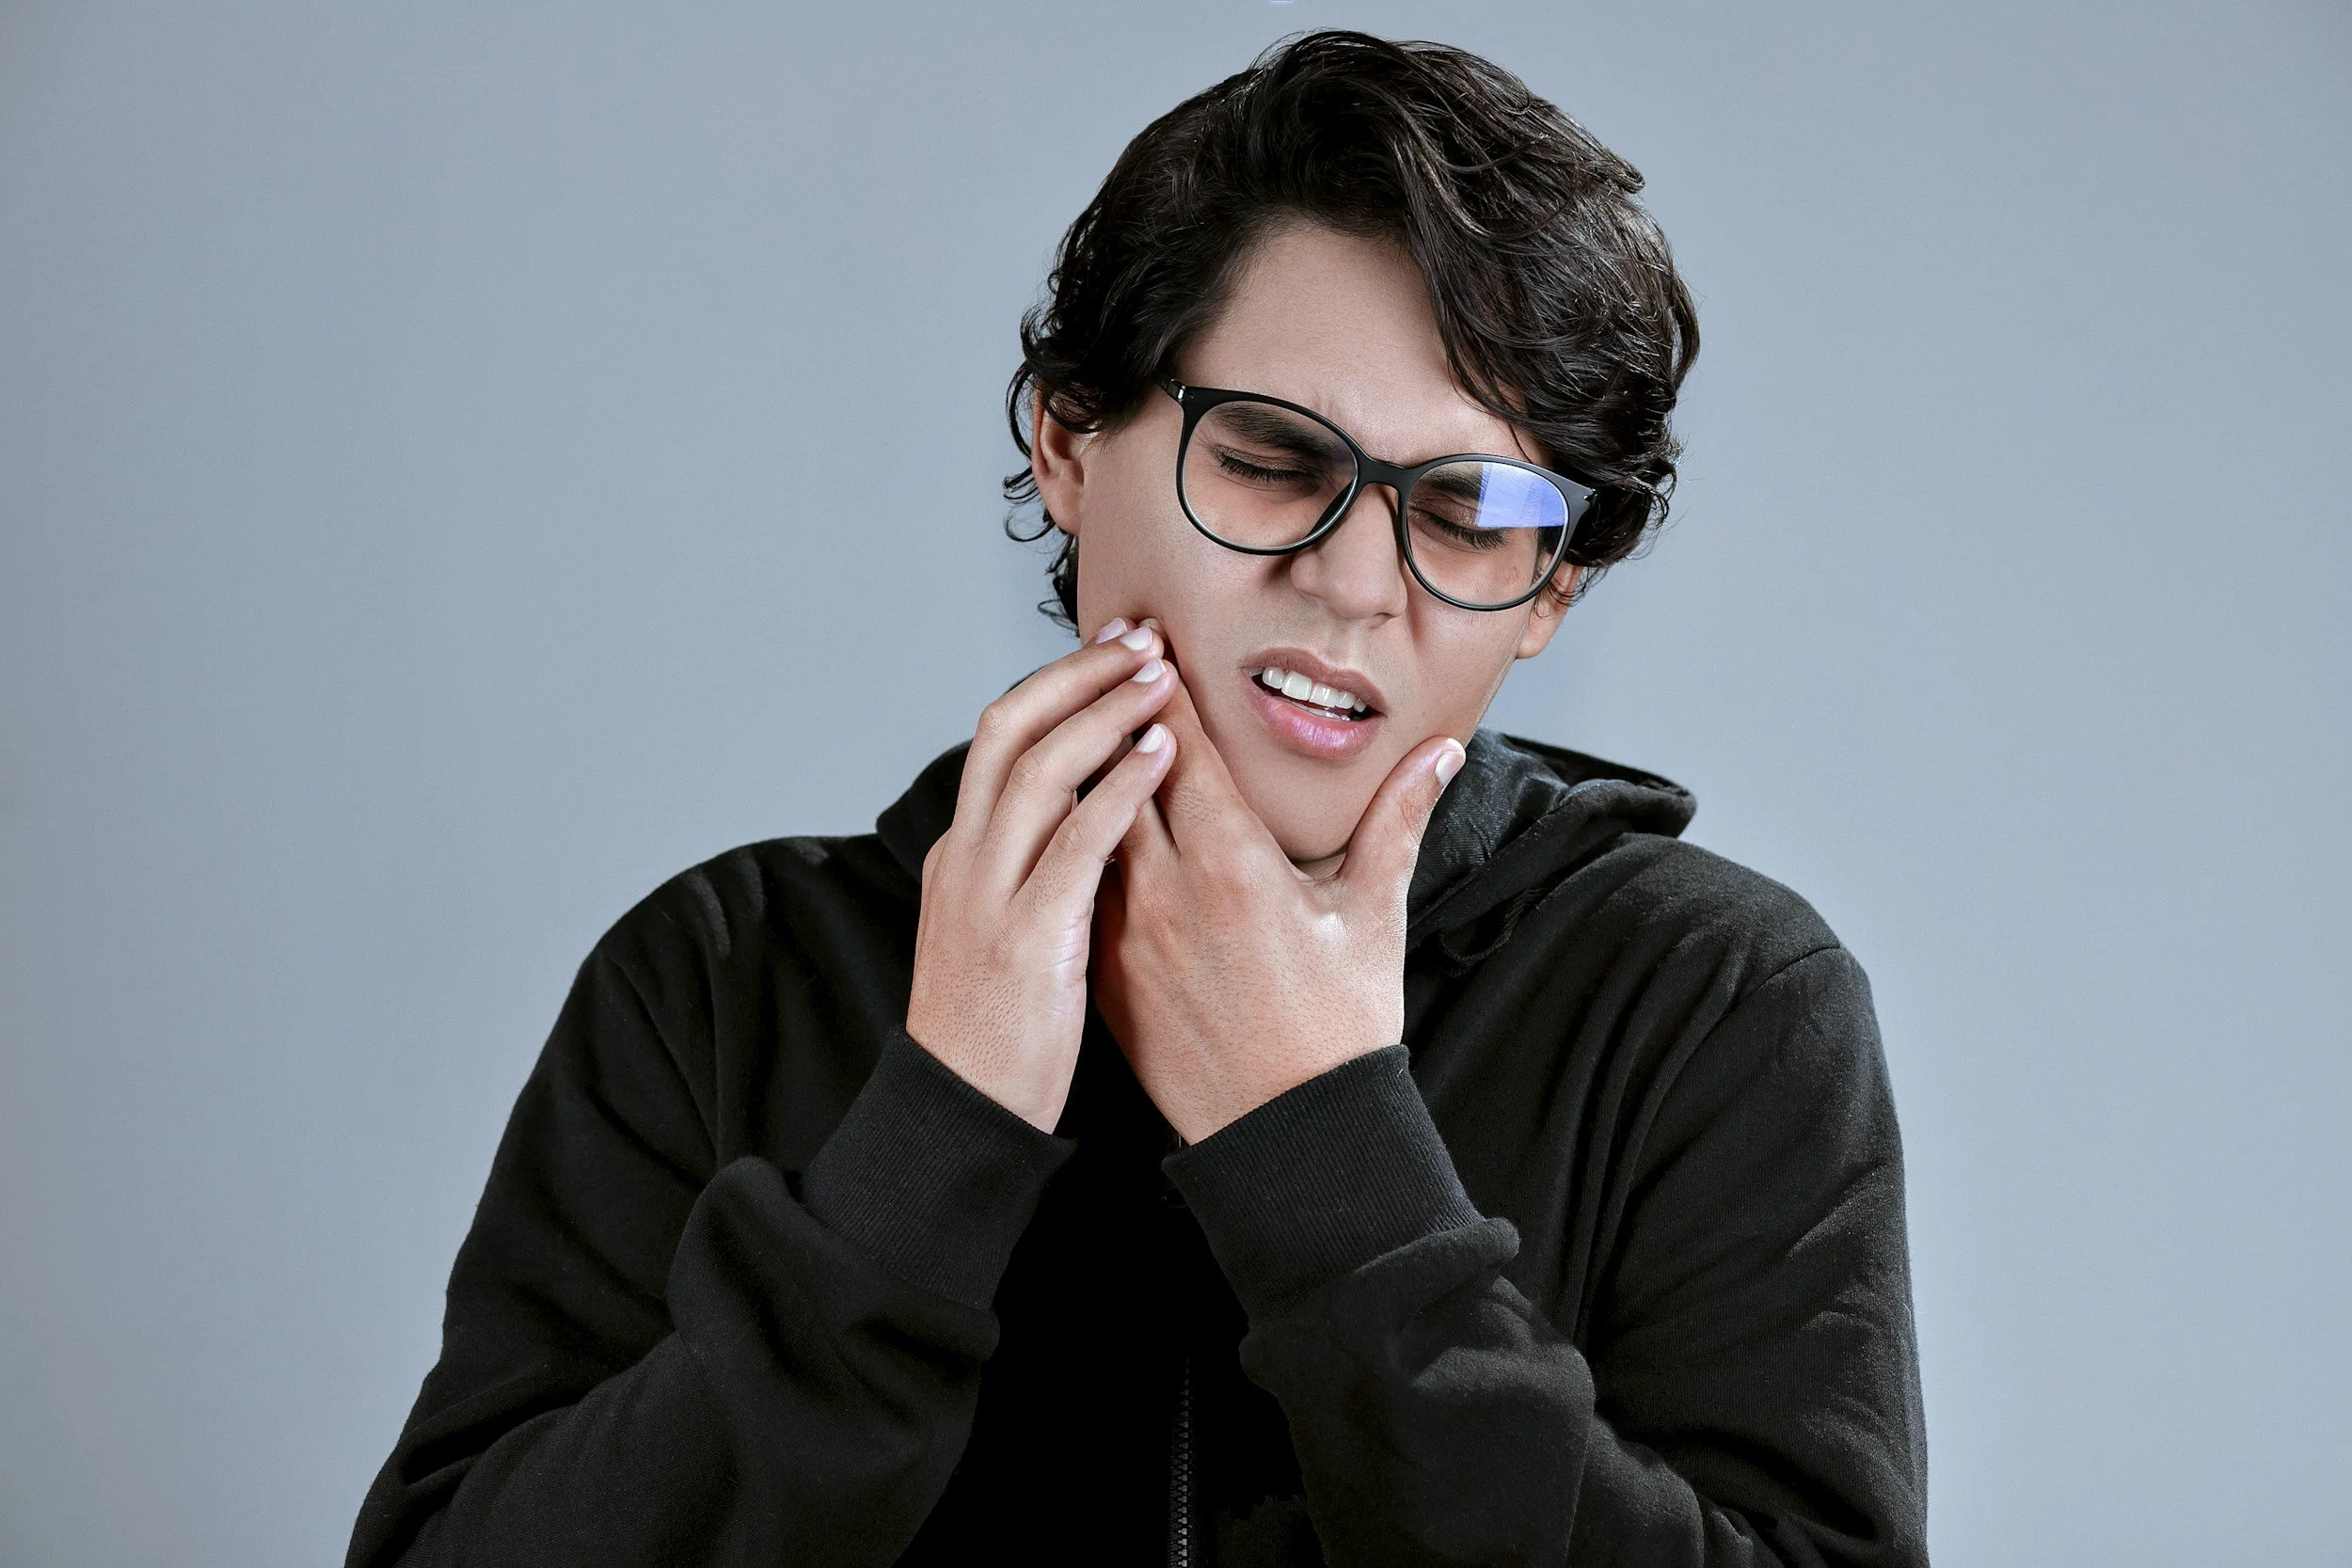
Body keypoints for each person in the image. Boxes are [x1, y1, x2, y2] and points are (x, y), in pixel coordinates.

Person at [348, 30, 1927, 1568]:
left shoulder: (1718, 1007)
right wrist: (930, 1141)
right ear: (1065, 441)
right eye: (1268, 456)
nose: (1357, 581)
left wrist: (1329, 1165)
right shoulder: (719, 975)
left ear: (1550, 593)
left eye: (1471, 511)